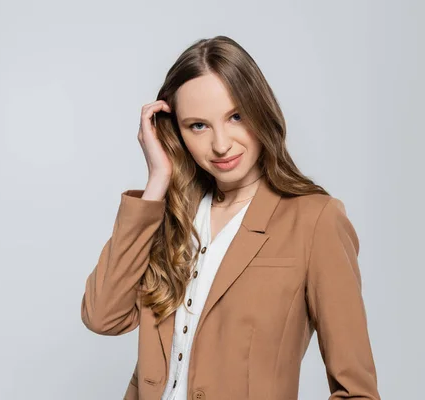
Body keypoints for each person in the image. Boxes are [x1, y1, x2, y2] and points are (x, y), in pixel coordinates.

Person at [80, 35, 380, 400]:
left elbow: (357, 391)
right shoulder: (173, 215)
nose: (221, 145)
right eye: (198, 126)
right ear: (177, 131)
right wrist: (157, 181)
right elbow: (102, 316)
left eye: (235, 116)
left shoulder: (315, 220)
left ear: (260, 111)